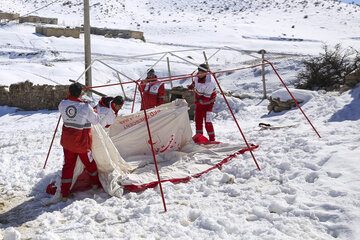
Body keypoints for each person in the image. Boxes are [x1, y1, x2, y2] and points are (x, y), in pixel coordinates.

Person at [58, 83, 101, 202]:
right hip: (81, 143)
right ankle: (95, 184)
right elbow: (96, 121)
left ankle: (64, 193)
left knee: (68, 167)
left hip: (67, 142)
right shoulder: (85, 107)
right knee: (90, 163)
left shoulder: (62, 104)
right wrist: (94, 110)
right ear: (80, 93)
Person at [182, 64, 217, 142]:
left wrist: (193, 103)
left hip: (208, 104)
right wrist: (187, 90)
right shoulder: (198, 76)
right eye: (199, 72)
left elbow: (206, 98)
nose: (200, 74)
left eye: (202, 72)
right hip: (199, 102)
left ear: (206, 72)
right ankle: (199, 138)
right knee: (198, 121)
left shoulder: (210, 82)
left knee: (208, 122)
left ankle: (212, 139)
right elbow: (194, 84)